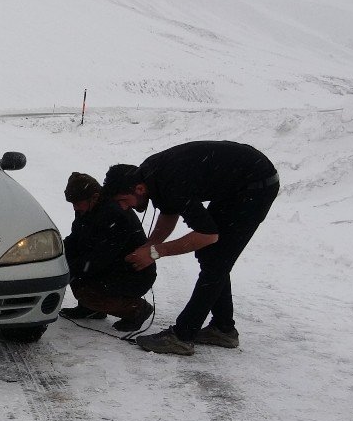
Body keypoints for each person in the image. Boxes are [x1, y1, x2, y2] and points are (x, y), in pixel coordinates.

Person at [102, 141, 279, 355]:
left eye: (124, 200)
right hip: (235, 186)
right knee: (211, 257)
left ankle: (182, 336)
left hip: (256, 187)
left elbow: (207, 235)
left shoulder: (170, 183)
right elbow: (169, 213)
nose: (124, 207)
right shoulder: (150, 176)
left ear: (138, 189)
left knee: (216, 262)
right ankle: (223, 329)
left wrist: (156, 252)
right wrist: (149, 246)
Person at [59, 172, 156, 332]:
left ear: (94, 197)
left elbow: (101, 257)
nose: (75, 207)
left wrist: (69, 270)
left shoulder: (115, 215)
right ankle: (90, 308)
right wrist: (58, 252)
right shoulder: (86, 209)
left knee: (85, 285)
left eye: (77, 203)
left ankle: (136, 309)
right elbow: (77, 237)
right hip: (109, 265)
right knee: (73, 266)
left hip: (133, 273)